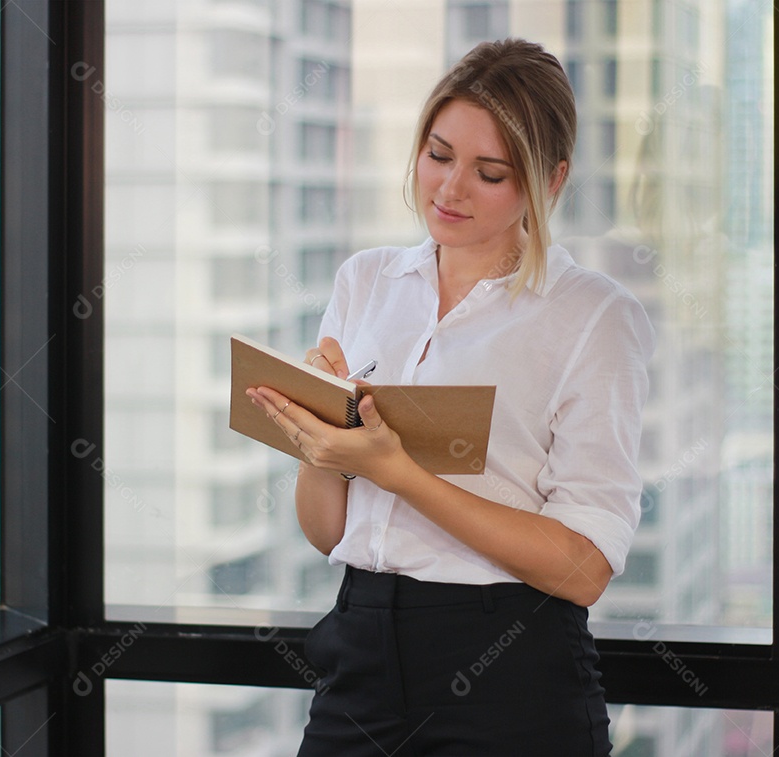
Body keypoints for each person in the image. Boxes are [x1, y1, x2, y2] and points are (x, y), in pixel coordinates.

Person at [246, 38, 654, 756]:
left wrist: (397, 469)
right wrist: (320, 443)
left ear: (549, 181)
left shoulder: (594, 314)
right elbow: (325, 530)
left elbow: (584, 568)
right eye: (438, 154)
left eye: (489, 172)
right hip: (359, 649)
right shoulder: (365, 283)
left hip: (512, 670)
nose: (450, 188)